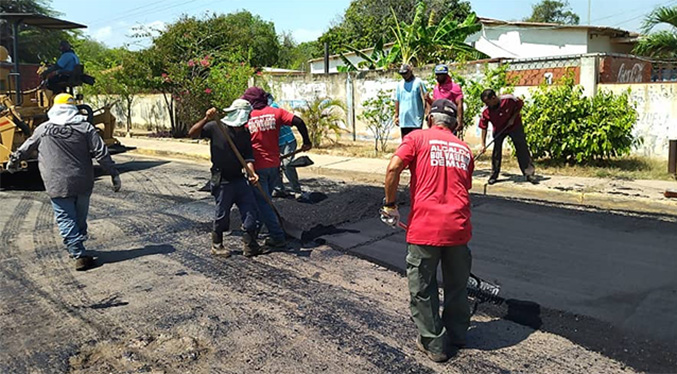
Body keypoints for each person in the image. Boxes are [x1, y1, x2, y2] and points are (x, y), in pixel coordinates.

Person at [382, 99, 474, 363]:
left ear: (430, 119)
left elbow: (393, 167)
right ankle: (457, 334)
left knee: (423, 287)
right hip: (458, 228)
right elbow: (463, 184)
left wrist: (390, 205)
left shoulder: (416, 138)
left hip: (425, 228)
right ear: (455, 124)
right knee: (457, 285)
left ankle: (434, 343)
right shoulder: (464, 148)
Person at [7, 93, 121, 271]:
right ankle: (78, 246)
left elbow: (25, 148)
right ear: (73, 107)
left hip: (56, 183)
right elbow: (101, 153)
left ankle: (78, 252)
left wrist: (13, 162)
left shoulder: (43, 129)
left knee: (65, 217)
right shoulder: (85, 128)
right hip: (83, 181)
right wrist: (113, 173)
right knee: (79, 217)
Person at [187, 100, 262, 258]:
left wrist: (252, 174)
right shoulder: (216, 127)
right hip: (222, 179)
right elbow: (192, 133)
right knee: (222, 213)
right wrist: (206, 119)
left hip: (239, 178)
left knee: (250, 210)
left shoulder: (244, 133)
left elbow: (248, 157)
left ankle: (250, 244)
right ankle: (217, 244)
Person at [241, 87, 312, 248]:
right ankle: (255, 233)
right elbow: (299, 121)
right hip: (274, 165)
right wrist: (306, 141)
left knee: (262, 203)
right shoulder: (276, 112)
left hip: (256, 168)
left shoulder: (246, 117)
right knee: (264, 201)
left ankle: (277, 236)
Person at [479, 89, 536, 185]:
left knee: (521, 148)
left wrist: (513, 118)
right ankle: (494, 175)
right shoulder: (486, 111)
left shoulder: (509, 99)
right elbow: (483, 126)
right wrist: (482, 144)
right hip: (499, 129)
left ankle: (529, 173)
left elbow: (520, 105)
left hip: (514, 126)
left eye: (488, 102)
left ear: (493, 98)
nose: (487, 105)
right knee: (496, 151)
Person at [266, 94, 302, 198]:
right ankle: (279, 189)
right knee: (275, 165)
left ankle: (297, 190)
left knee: (287, 165)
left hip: (287, 141)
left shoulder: (274, 107)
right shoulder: (263, 109)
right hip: (276, 143)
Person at [394, 64, 432, 139]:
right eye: (402, 74)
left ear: (410, 71)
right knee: (406, 142)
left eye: (405, 73)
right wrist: (396, 115)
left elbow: (426, 98)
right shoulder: (400, 84)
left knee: (416, 141)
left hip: (416, 119)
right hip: (404, 120)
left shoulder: (419, 83)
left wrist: (428, 113)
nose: (404, 75)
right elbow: (397, 100)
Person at [432, 64, 464, 135]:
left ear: (445, 75)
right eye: (437, 75)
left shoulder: (454, 87)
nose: (438, 77)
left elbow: (459, 104)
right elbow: (434, 103)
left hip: (449, 120)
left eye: (440, 75)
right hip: (437, 120)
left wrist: (460, 121)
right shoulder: (436, 88)